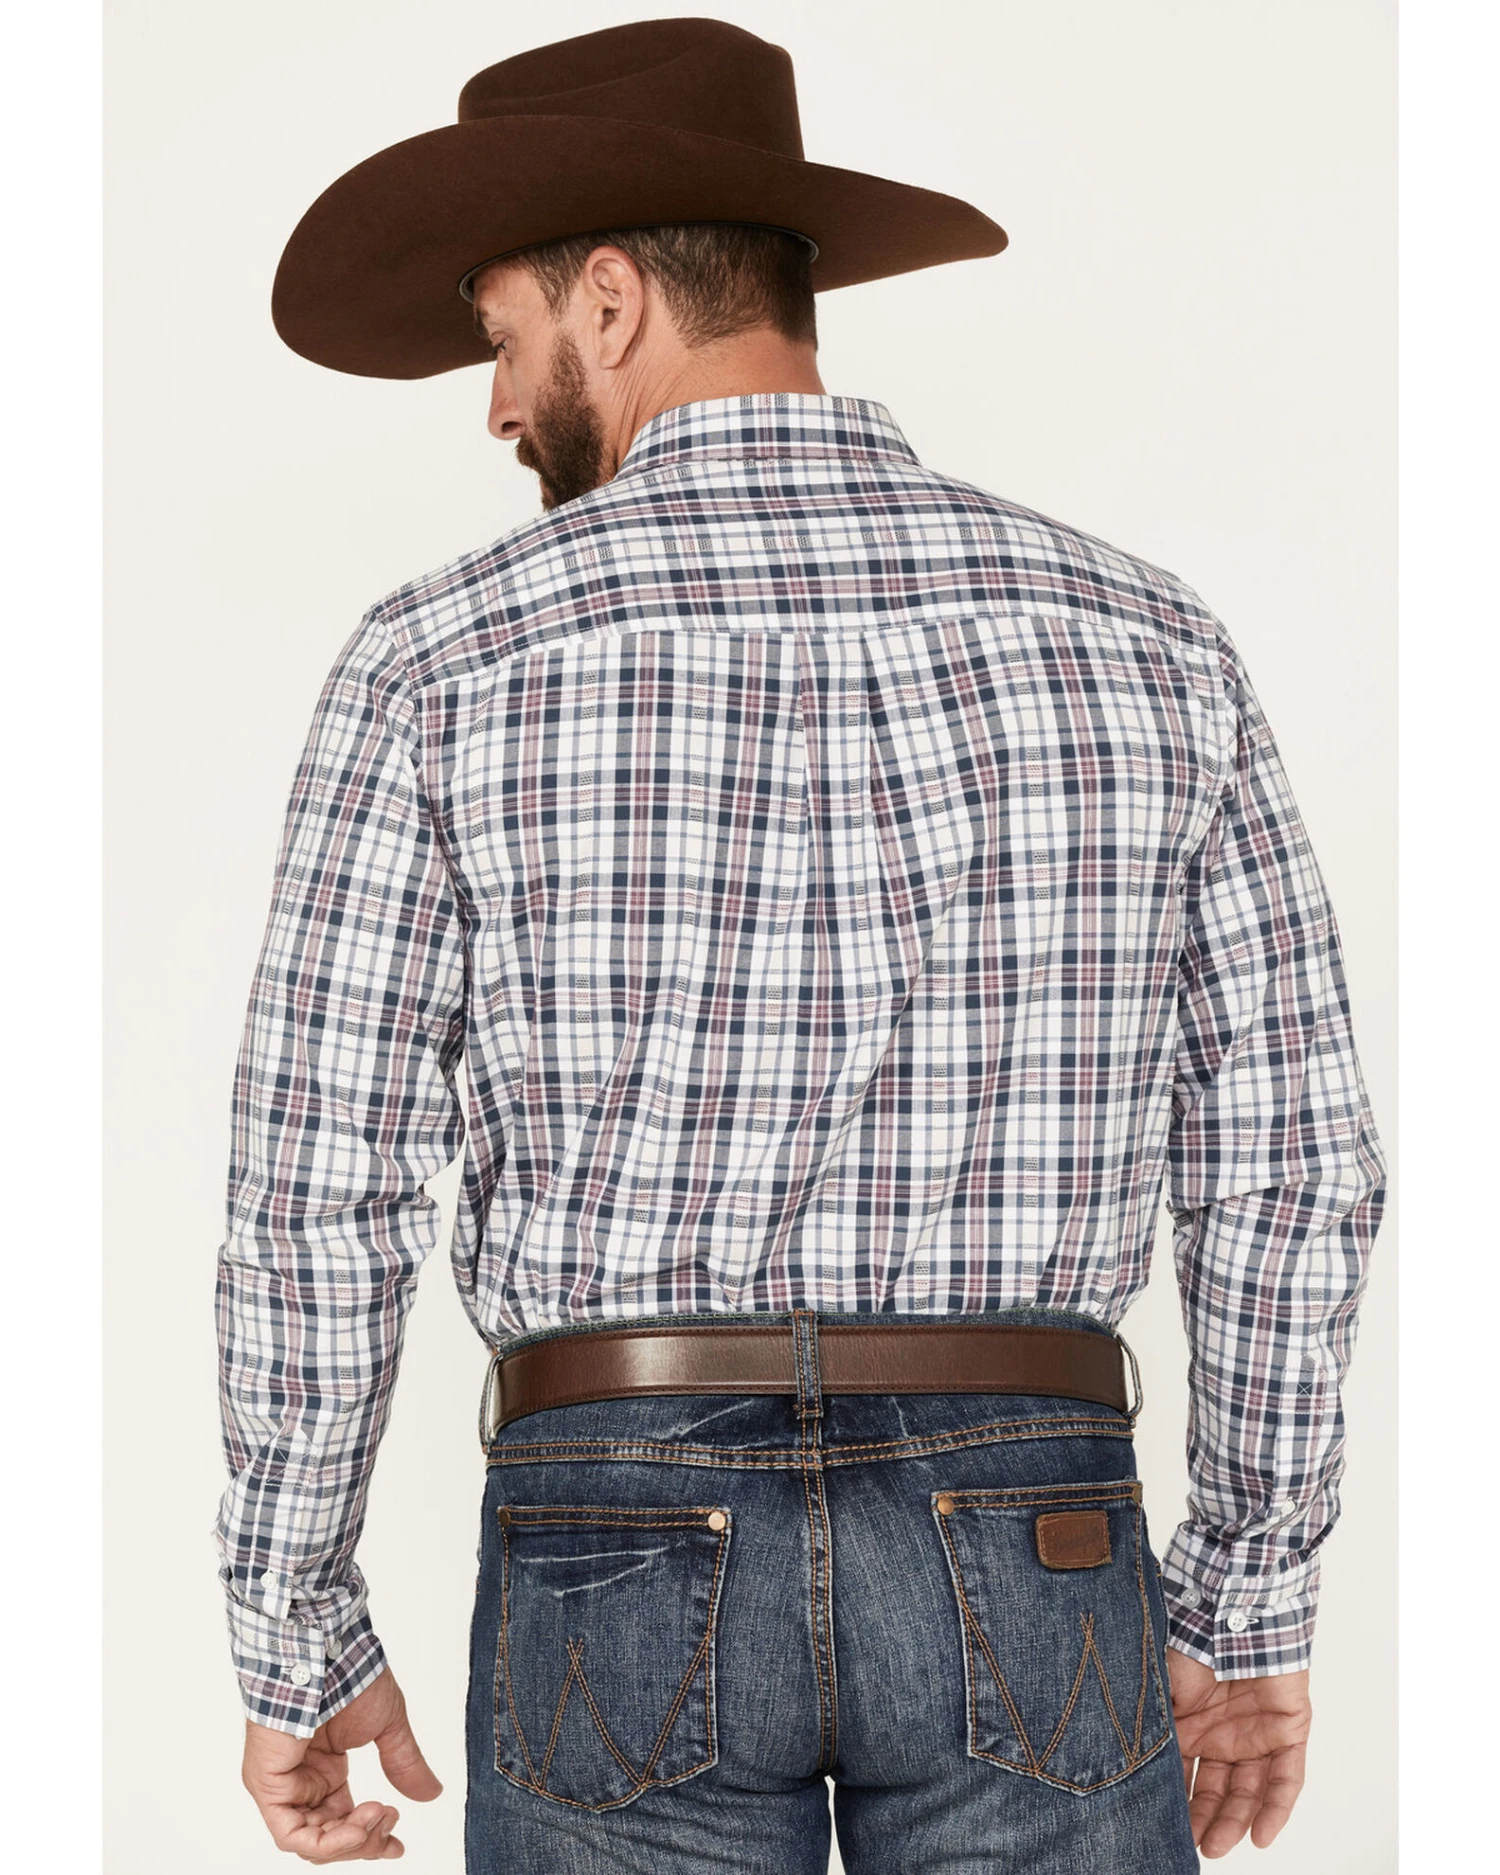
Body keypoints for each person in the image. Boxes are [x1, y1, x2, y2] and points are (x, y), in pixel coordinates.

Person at [213, 18, 1388, 1872]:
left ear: (611, 301)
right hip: (1036, 1515)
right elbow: (1289, 1163)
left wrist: (296, 1624)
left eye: (503, 335)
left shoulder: (441, 663)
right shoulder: (1149, 642)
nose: (498, 406)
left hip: (609, 1519)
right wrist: (1245, 1604)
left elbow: (316, 1183)